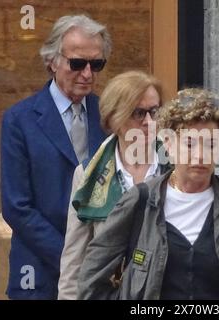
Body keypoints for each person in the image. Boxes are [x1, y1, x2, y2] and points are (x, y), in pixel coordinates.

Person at [77, 88, 219, 300]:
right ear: (168, 144)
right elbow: (91, 279)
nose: (200, 155)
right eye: (189, 144)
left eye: (211, 144)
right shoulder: (140, 202)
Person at [0, 15, 111, 299]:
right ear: (53, 60)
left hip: (101, 272)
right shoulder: (19, 119)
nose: (87, 74)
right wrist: (71, 257)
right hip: (39, 269)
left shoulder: (109, 117)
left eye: (96, 64)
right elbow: (17, 207)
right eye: (77, 64)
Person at [58, 70, 169, 300]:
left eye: (154, 112)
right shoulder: (88, 174)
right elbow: (74, 262)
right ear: (114, 119)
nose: (149, 123)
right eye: (139, 113)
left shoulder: (177, 168)